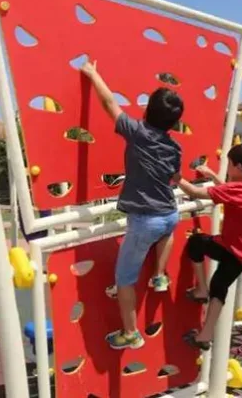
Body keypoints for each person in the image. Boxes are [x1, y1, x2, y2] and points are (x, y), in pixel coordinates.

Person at [81, 60, 183, 350]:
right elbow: (174, 177)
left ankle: (130, 333)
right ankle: (160, 276)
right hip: (169, 212)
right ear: (173, 123)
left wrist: (92, 73)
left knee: (124, 279)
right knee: (167, 230)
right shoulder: (175, 147)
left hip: (145, 222)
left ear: (146, 111)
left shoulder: (137, 133)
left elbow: (109, 102)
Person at [178, 142, 242, 350]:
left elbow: (196, 192)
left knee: (196, 243)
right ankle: (205, 335)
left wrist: (174, 177)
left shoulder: (239, 190)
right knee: (219, 285)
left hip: (234, 250)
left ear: (239, 168)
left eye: (229, 164)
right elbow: (228, 190)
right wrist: (210, 173)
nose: (227, 168)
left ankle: (200, 290)